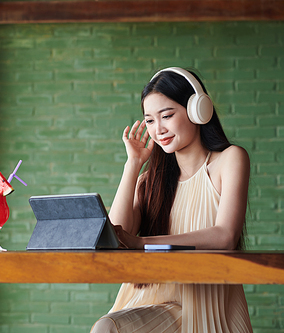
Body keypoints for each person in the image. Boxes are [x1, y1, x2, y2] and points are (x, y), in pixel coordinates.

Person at [91, 67, 253, 333]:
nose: (158, 129)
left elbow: (225, 236)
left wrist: (142, 244)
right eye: (150, 121)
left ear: (197, 110)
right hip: (151, 301)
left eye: (166, 116)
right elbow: (116, 235)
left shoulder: (230, 159)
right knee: (107, 327)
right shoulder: (149, 180)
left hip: (205, 304)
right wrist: (132, 165)